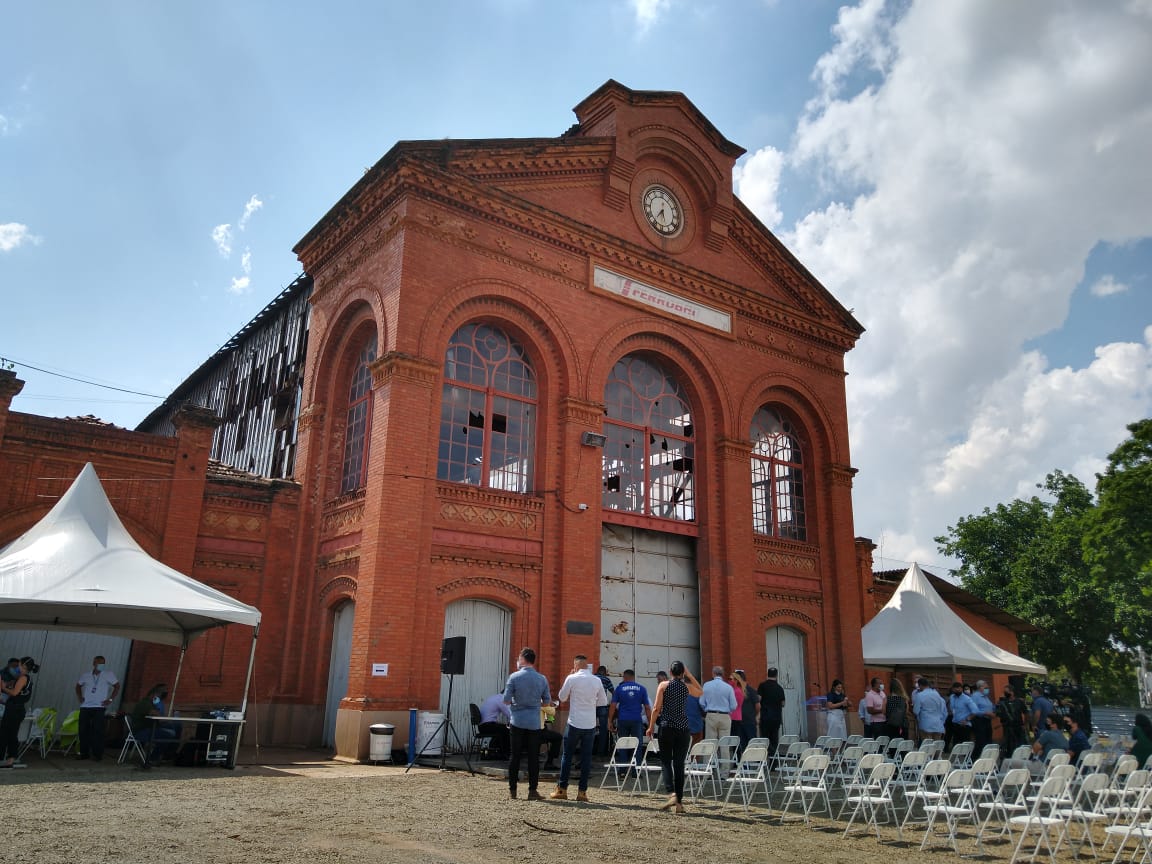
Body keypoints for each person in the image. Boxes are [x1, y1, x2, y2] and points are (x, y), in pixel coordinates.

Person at [646, 659, 703, 814]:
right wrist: (689, 675)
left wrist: (651, 726)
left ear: (670, 672)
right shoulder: (686, 687)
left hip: (667, 726)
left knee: (665, 761)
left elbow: (657, 708)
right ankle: (679, 804)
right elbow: (700, 691)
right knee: (679, 764)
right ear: (682, 673)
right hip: (683, 728)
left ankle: (671, 793)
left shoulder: (663, 685)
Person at [550, 654, 608, 802]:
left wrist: (569, 677)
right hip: (590, 723)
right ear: (587, 665)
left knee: (567, 756)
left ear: (575, 666)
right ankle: (582, 792)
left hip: (574, 722)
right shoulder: (596, 680)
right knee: (586, 758)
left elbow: (562, 697)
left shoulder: (572, 678)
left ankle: (562, 789)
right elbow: (603, 701)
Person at [503, 647, 552, 801]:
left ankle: (513, 790)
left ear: (523, 659)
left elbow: (506, 700)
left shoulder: (514, 677)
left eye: (519, 657)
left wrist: (517, 702)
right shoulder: (542, 678)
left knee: (515, 755)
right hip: (534, 722)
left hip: (517, 720)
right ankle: (532, 791)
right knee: (533, 757)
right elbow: (547, 702)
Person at [76, 654, 120, 761]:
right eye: (99, 663)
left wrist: (110, 699)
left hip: (99, 706)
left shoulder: (108, 674)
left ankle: (97, 754)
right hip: (85, 706)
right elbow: (78, 685)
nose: (101, 665)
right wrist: (80, 697)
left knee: (98, 730)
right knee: (83, 730)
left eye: (103, 663)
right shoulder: (86, 675)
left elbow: (117, 686)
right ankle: (84, 753)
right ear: (94, 663)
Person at [608, 669, 650, 762]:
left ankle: (622, 771)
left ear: (624, 677)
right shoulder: (642, 688)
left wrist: (610, 721)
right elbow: (647, 707)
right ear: (633, 677)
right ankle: (636, 770)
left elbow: (613, 706)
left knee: (623, 744)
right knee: (637, 744)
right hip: (636, 720)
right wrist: (650, 723)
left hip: (623, 720)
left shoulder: (619, 689)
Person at [130, 683, 179, 763]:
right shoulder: (145, 703)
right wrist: (169, 718)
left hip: (149, 728)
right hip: (141, 731)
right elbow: (157, 716)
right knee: (168, 734)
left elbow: (159, 717)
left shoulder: (151, 703)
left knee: (175, 727)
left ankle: (168, 754)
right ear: (155, 694)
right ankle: (153, 758)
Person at [0, 657, 34, 768]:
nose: (17, 668)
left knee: (7, 733)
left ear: (23, 665)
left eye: (19, 665)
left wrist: (3, 687)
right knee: (9, 733)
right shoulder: (23, 678)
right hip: (15, 709)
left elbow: (14, 693)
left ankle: (10, 758)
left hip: (15, 709)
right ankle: (10, 757)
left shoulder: (23, 678)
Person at [699, 665, 737, 761]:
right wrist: (729, 711)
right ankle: (724, 771)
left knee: (709, 744)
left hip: (711, 714)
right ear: (723, 674)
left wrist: (706, 709)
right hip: (725, 716)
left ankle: (707, 771)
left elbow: (701, 702)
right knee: (725, 745)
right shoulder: (728, 687)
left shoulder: (707, 685)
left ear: (713, 673)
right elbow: (733, 705)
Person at [757, 667, 786, 755]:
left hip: (765, 717)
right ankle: (774, 763)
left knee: (764, 740)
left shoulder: (762, 686)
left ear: (767, 674)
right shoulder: (779, 688)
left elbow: (758, 699)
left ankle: (764, 760)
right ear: (776, 675)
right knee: (774, 740)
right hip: (776, 718)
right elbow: (783, 703)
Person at [996, 684, 1029, 754]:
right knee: (1008, 747)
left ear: (1012, 692)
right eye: (1004, 692)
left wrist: (1025, 724)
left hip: (1018, 727)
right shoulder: (1003, 703)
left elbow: (1026, 713)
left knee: (1020, 746)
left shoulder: (1019, 702)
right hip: (1007, 728)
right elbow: (998, 714)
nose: (1005, 693)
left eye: (1006, 691)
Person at [478, 692, 511, 759]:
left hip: (483, 726)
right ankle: (505, 754)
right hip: (487, 726)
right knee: (507, 730)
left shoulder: (495, 697)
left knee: (502, 728)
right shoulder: (501, 699)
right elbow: (509, 713)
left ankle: (494, 751)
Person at [969, 679, 996, 756]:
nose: (987, 689)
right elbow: (974, 710)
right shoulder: (975, 696)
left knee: (988, 740)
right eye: (985, 688)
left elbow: (991, 706)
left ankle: (987, 756)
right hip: (979, 720)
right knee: (981, 741)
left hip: (987, 720)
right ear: (980, 687)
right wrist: (986, 713)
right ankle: (975, 758)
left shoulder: (986, 697)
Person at [734, 670, 758, 753]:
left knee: (750, 742)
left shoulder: (750, 690)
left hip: (747, 720)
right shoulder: (736, 691)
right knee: (743, 743)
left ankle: (753, 761)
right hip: (744, 720)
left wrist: (754, 715)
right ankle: (746, 763)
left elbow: (758, 705)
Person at [948, 681, 978, 747]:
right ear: (953, 689)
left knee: (965, 746)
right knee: (955, 746)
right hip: (955, 724)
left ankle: (967, 757)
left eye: (958, 688)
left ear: (961, 689)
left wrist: (967, 719)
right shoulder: (952, 697)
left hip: (964, 726)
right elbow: (952, 708)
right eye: (955, 688)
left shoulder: (967, 699)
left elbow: (975, 711)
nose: (957, 690)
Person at [594, 665, 614, 756]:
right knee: (603, 730)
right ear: (605, 672)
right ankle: (601, 752)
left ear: (597, 671)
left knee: (589, 729)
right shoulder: (606, 679)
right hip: (602, 706)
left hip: (592, 706)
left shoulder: (592, 678)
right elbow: (613, 692)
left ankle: (590, 750)